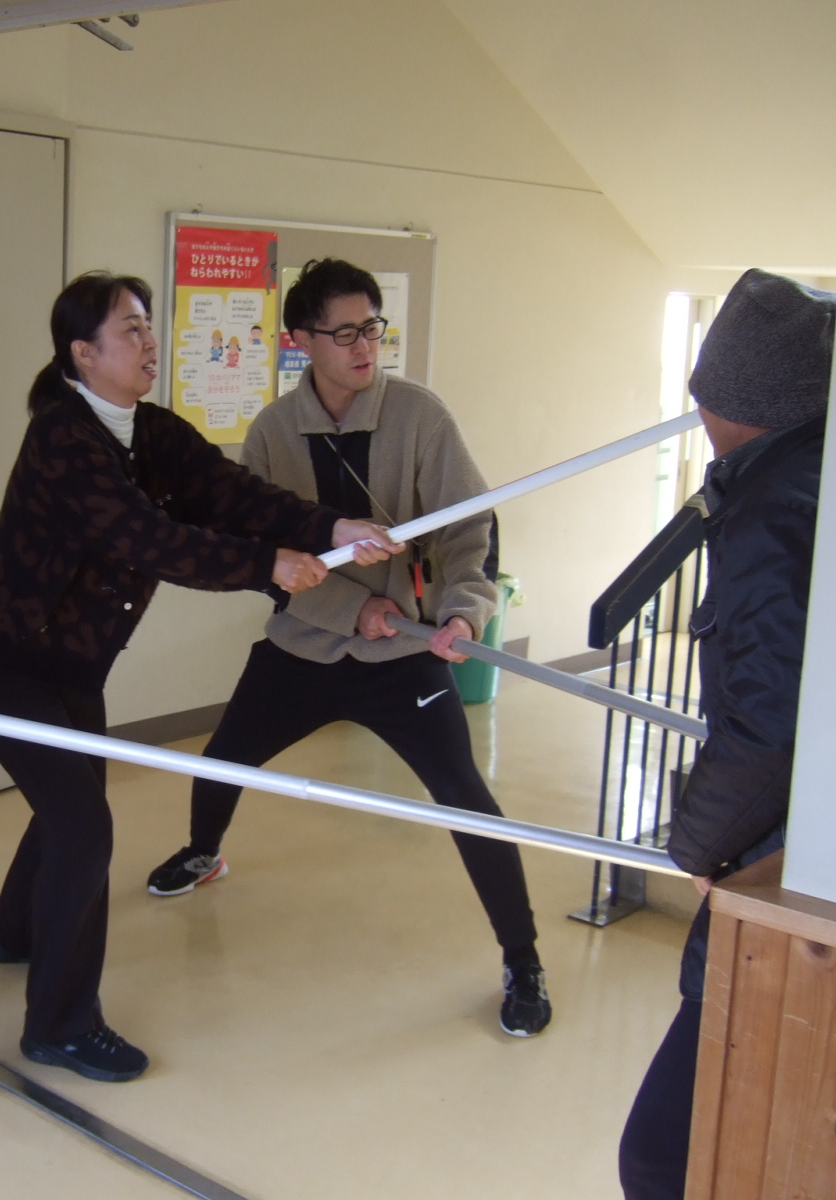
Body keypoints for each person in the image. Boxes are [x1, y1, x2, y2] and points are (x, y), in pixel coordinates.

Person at [0, 271, 400, 1082]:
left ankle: (12, 934)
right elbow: (146, 538)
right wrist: (267, 566)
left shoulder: (150, 431)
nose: (149, 341)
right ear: (83, 354)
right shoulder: (62, 438)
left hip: (73, 662)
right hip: (6, 659)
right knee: (82, 823)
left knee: (69, 800)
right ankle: (59, 1026)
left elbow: (233, 495)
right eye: (129, 330)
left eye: (148, 325)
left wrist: (329, 527)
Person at [145, 257, 553, 1038]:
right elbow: (264, 559)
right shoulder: (272, 432)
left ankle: (523, 958)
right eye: (344, 333)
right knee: (221, 757)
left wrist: (462, 614)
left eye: (372, 328)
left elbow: (471, 528)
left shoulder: (421, 417)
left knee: (467, 797)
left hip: (403, 654)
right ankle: (203, 852)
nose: (365, 346)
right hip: (303, 646)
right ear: (301, 340)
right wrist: (352, 609)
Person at [619, 270, 835, 1199]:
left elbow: (764, 724)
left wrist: (696, 846)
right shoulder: (834, 470)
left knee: (660, 1158)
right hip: (812, 846)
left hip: (777, 867)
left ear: (725, 402)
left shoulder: (773, 510)